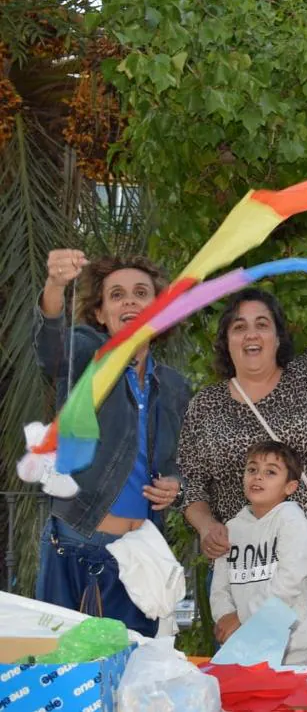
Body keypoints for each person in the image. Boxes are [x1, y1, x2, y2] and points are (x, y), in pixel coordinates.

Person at [178, 195, 307, 664]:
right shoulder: (205, 404)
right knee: (240, 676)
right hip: (235, 568)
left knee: (299, 669)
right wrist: (206, 527)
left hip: (303, 567)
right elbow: (191, 483)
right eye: (239, 326)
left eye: (262, 324)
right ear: (227, 340)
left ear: (278, 337)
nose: (251, 334)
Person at [34, 250, 189, 636]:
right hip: (78, 548)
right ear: (101, 313)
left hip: (142, 555)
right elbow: (51, 349)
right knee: (72, 675)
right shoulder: (86, 356)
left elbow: (179, 464)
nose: (130, 301)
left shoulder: (174, 387)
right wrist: (55, 286)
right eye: (116, 295)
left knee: (135, 681)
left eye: (141, 293)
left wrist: (177, 485)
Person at [210, 441, 307, 665]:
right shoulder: (232, 528)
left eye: (270, 472)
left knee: (291, 701)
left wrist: (242, 617)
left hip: (290, 652)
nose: (258, 477)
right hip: (239, 649)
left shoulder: (295, 525)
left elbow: (287, 584)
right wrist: (224, 616)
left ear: (290, 487)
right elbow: (220, 586)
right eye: (252, 470)